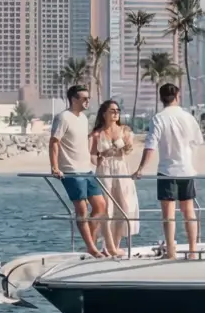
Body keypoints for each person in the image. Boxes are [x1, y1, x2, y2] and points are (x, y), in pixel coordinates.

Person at [134, 81, 204, 260]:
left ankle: (171, 250)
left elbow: (150, 146)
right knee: (189, 210)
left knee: (168, 213)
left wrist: (141, 168)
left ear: (161, 98)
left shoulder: (159, 118)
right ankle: (193, 250)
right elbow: (197, 141)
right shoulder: (188, 117)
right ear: (177, 96)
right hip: (187, 169)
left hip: (167, 170)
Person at [48, 84, 108, 258]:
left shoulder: (83, 118)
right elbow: (54, 142)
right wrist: (54, 167)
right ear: (74, 99)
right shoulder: (63, 118)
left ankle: (91, 243)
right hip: (71, 171)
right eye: (84, 98)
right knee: (82, 209)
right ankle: (91, 247)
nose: (88, 101)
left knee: (101, 206)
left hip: (87, 169)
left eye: (88, 98)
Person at [90, 99, 140, 257]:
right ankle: (109, 246)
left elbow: (129, 149)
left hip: (121, 169)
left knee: (124, 207)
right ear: (104, 113)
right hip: (104, 170)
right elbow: (92, 158)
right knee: (107, 209)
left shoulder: (125, 130)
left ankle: (115, 244)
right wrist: (103, 154)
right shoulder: (97, 134)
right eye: (112, 110)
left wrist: (126, 145)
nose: (116, 113)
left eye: (117, 110)